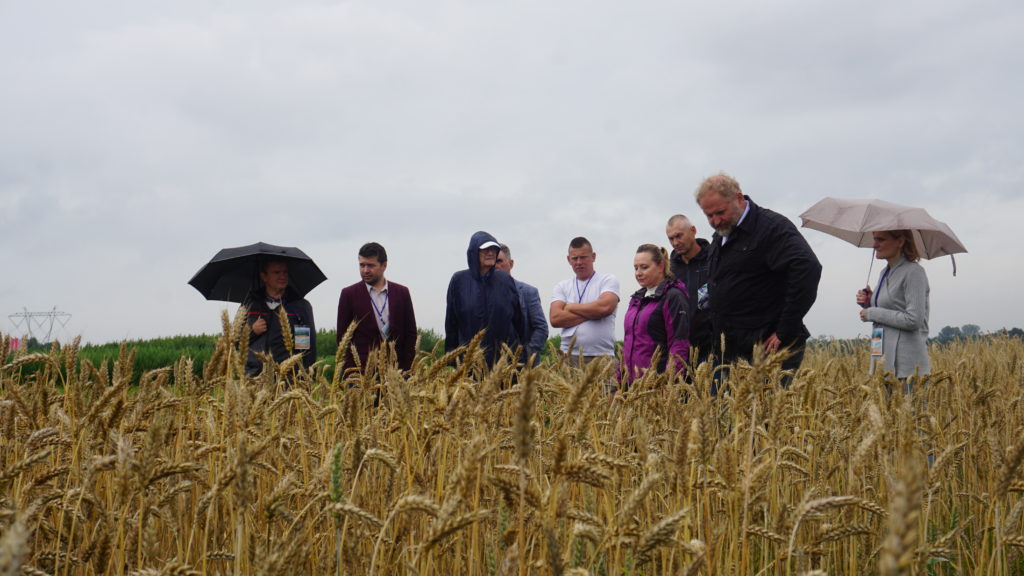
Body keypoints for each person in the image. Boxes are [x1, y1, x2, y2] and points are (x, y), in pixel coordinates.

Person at [695, 173, 821, 381]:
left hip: (768, 349)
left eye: (720, 212)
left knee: (768, 412)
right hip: (734, 351)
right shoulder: (722, 234)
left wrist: (784, 330)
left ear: (739, 198)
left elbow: (808, 268)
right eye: (709, 216)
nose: (716, 221)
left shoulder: (771, 227)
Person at [856, 229, 931, 381]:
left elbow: (914, 319)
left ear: (900, 241)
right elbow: (891, 306)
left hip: (907, 366)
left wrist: (872, 313)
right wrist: (869, 301)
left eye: (880, 239)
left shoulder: (914, 272)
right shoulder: (885, 272)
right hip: (882, 361)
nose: (875, 245)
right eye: (874, 239)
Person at [445, 231, 526, 367]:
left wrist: (520, 354)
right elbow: (451, 322)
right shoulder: (459, 280)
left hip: (503, 361)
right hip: (469, 361)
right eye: (485, 249)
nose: (490, 253)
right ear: (474, 252)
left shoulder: (505, 280)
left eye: (493, 249)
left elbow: (519, 320)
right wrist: (452, 358)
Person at [337, 242, 418, 373]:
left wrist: (407, 370)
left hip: (397, 373)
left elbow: (410, 334)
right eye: (362, 265)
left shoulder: (402, 292)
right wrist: (351, 374)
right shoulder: (349, 294)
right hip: (362, 375)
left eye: (370, 265)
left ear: (384, 265)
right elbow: (342, 338)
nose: (365, 270)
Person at [621, 244, 690, 388]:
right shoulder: (636, 299)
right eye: (636, 268)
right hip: (632, 386)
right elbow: (628, 343)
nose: (638, 273)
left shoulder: (673, 296)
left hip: (656, 386)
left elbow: (678, 343)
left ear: (660, 266)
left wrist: (670, 383)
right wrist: (620, 381)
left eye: (644, 267)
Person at [549, 237, 620, 366]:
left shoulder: (608, 280)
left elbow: (605, 308)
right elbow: (555, 319)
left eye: (583, 257)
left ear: (593, 257)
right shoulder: (562, 286)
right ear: (568, 260)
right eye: (574, 258)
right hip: (568, 357)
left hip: (602, 357)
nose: (579, 262)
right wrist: (593, 312)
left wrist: (570, 307)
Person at [242, 258, 317, 376]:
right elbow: (235, 342)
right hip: (254, 377)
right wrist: (253, 332)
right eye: (277, 272)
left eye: (285, 272)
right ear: (264, 276)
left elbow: (307, 348)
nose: (282, 276)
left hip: (287, 377)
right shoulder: (250, 305)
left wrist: (308, 376)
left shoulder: (299, 306)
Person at [666, 214, 713, 366]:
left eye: (679, 236)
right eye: (671, 238)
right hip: (680, 352)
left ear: (693, 230)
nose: (675, 242)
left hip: (712, 350)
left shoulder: (714, 259)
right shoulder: (669, 270)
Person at [496, 244, 549, 366]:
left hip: (522, 366)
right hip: (492, 367)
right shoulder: (482, 294)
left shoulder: (528, 292)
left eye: (499, 261)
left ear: (511, 263)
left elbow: (541, 328)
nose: (496, 266)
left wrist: (526, 354)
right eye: (493, 262)